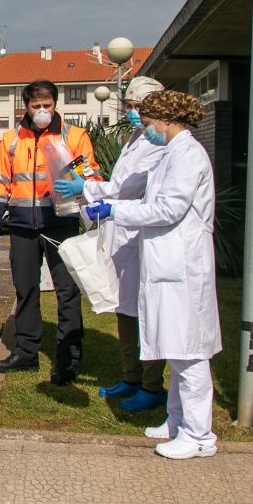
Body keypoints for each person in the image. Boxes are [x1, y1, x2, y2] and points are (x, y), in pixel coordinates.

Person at [86, 90, 221, 460]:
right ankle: (177, 423)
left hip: (183, 267)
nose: (145, 131)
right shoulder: (172, 154)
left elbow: (166, 208)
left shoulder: (188, 155)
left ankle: (199, 435)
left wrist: (115, 210)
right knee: (175, 350)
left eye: (147, 124)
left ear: (164, 120)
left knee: (190, 354)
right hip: (166, 264)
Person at [55, 76, 168, 412]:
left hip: (137, 236)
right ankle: (132, 377)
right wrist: (89, 183)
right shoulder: (136, 138)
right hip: (121, 236)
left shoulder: (157, 144)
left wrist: (87, 187)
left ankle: (151, 384)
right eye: (130, 106)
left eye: (139, 108)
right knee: (124, 309)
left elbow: (125, 190)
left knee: (142, 312)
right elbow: (116, 183)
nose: (133, 114)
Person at [0, 79, 102, 385]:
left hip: (61, 224)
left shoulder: (73, 136)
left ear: (55, 105)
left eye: (47, 106)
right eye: (36, 106)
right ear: (25, 106)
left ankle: (68, 360)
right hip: (23, 227)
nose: (41, 111)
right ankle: (26, 353)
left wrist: (80, 183)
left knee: (67, 292)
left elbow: (92, 175)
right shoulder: (12, 139)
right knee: (26, 291)